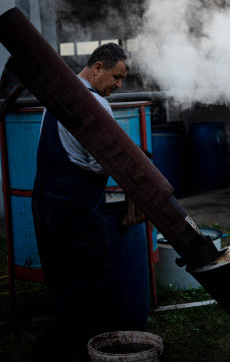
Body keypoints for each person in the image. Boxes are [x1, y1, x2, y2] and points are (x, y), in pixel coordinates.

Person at [31, 43, 129, 361]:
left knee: (60, 278)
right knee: (87, 279)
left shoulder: (55, 97)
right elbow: (103, 163)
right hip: (75, 202)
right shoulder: (95, 103)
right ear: (97, 67)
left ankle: (65, 346)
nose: (119, 86)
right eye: (116, 77)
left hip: (45, 199)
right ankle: (62, 349)